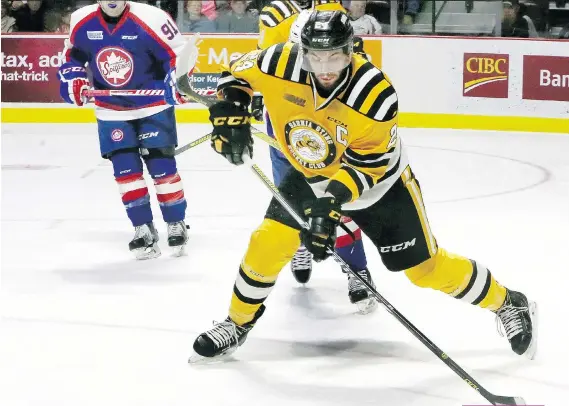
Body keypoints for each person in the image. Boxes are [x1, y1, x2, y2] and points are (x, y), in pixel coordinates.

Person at [189, 10, 537, 362]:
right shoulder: (279, 61)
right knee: (267, 242)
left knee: (426, 271)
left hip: (380, 187)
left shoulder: (375, 93)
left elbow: (368, 165)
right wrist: (231, 107)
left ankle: (509, 302)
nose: (324, 67)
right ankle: (237, 323)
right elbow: (235, 72)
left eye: (335, 56)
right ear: (302, 50)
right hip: (311, 175)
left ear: (350, 51)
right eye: (315, 56)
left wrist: (331, 204)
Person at [255, 0, 377, 314]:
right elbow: (263, 62)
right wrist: (250, 98)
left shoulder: (333, 8)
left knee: (338, 202)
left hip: (329, 120)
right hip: (286, 120)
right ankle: (301, 246)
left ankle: (356, 271)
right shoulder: (274, 13)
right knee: (292, 198)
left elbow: (354, 61)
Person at [58, 1, 190, 259]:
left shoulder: (152, 18)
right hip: (111, 109)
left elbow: (178, 54)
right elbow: (72, 56)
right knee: (126, 172)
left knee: (162, 167)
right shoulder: (81, 20)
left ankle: (176, 222)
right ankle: (142, 228)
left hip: (153, 106)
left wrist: (178, 79)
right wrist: (74, 77)